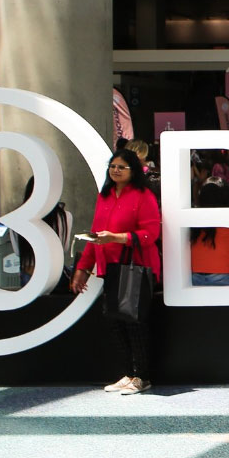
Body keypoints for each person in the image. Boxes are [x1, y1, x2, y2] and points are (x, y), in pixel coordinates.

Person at [71, 148, 162, 396]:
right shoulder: (106, 196)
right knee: (115, 321)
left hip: (136, 267)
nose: (115, 170)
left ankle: (142, 376)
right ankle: (128, 373)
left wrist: (119, 238)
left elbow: (150, 234)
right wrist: (83, 268)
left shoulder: (143, 196)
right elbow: (95, 235)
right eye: (113, 165)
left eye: (122, 166)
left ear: (133, 171)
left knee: (135, 321)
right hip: (110, 268)